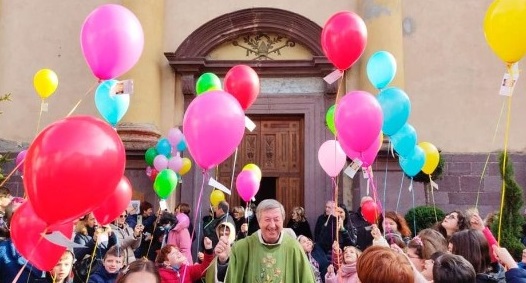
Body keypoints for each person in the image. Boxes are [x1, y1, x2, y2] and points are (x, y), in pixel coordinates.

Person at [211, 199, 315, 282]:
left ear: (283, 220)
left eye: (276, 219)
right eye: (267, 220)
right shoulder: (242, 247)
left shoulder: (294, 248)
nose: (272, 225)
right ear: (259, 221)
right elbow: (228, 278)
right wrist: (223, 262)